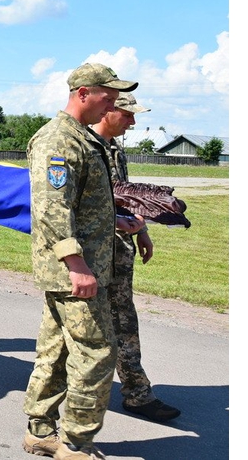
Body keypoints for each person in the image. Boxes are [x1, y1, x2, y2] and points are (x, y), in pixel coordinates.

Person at [22, 62, 145, 459]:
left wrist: (118, 221)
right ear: (82, 94)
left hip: (81, 265)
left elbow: (82, 204)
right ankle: (76, 444)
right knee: (97, 353)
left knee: (56, 350)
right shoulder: (59, 140)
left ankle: (40, 430)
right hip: (75, 271)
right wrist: (76, 264)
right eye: (106, 98)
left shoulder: (82, 139)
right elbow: (51, 207)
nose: (110, 106)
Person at [92, 93, 181, 423]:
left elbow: (124, 197)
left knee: (121, 321)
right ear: (108, 109)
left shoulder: (114, 147)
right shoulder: (87, 146)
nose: (133, 122)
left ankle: (136, 392)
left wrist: (142, 231)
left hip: (118, 249)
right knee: (84, 324)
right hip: (94, 253)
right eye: (127, 114)